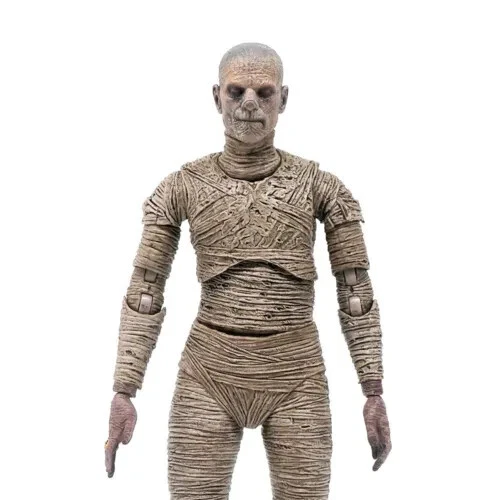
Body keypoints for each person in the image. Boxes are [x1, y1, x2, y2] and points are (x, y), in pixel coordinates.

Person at [105, 42, 391, 499]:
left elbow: (356, 291)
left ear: (284, 99)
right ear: (216, 97)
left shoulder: (322, 188)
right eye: (237, 92)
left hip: (296, 374)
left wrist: (372, 390)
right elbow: (146, 289)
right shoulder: (182, 187)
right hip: (208, 373)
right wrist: (124, 390)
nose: (250, 104)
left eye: (265, 92)